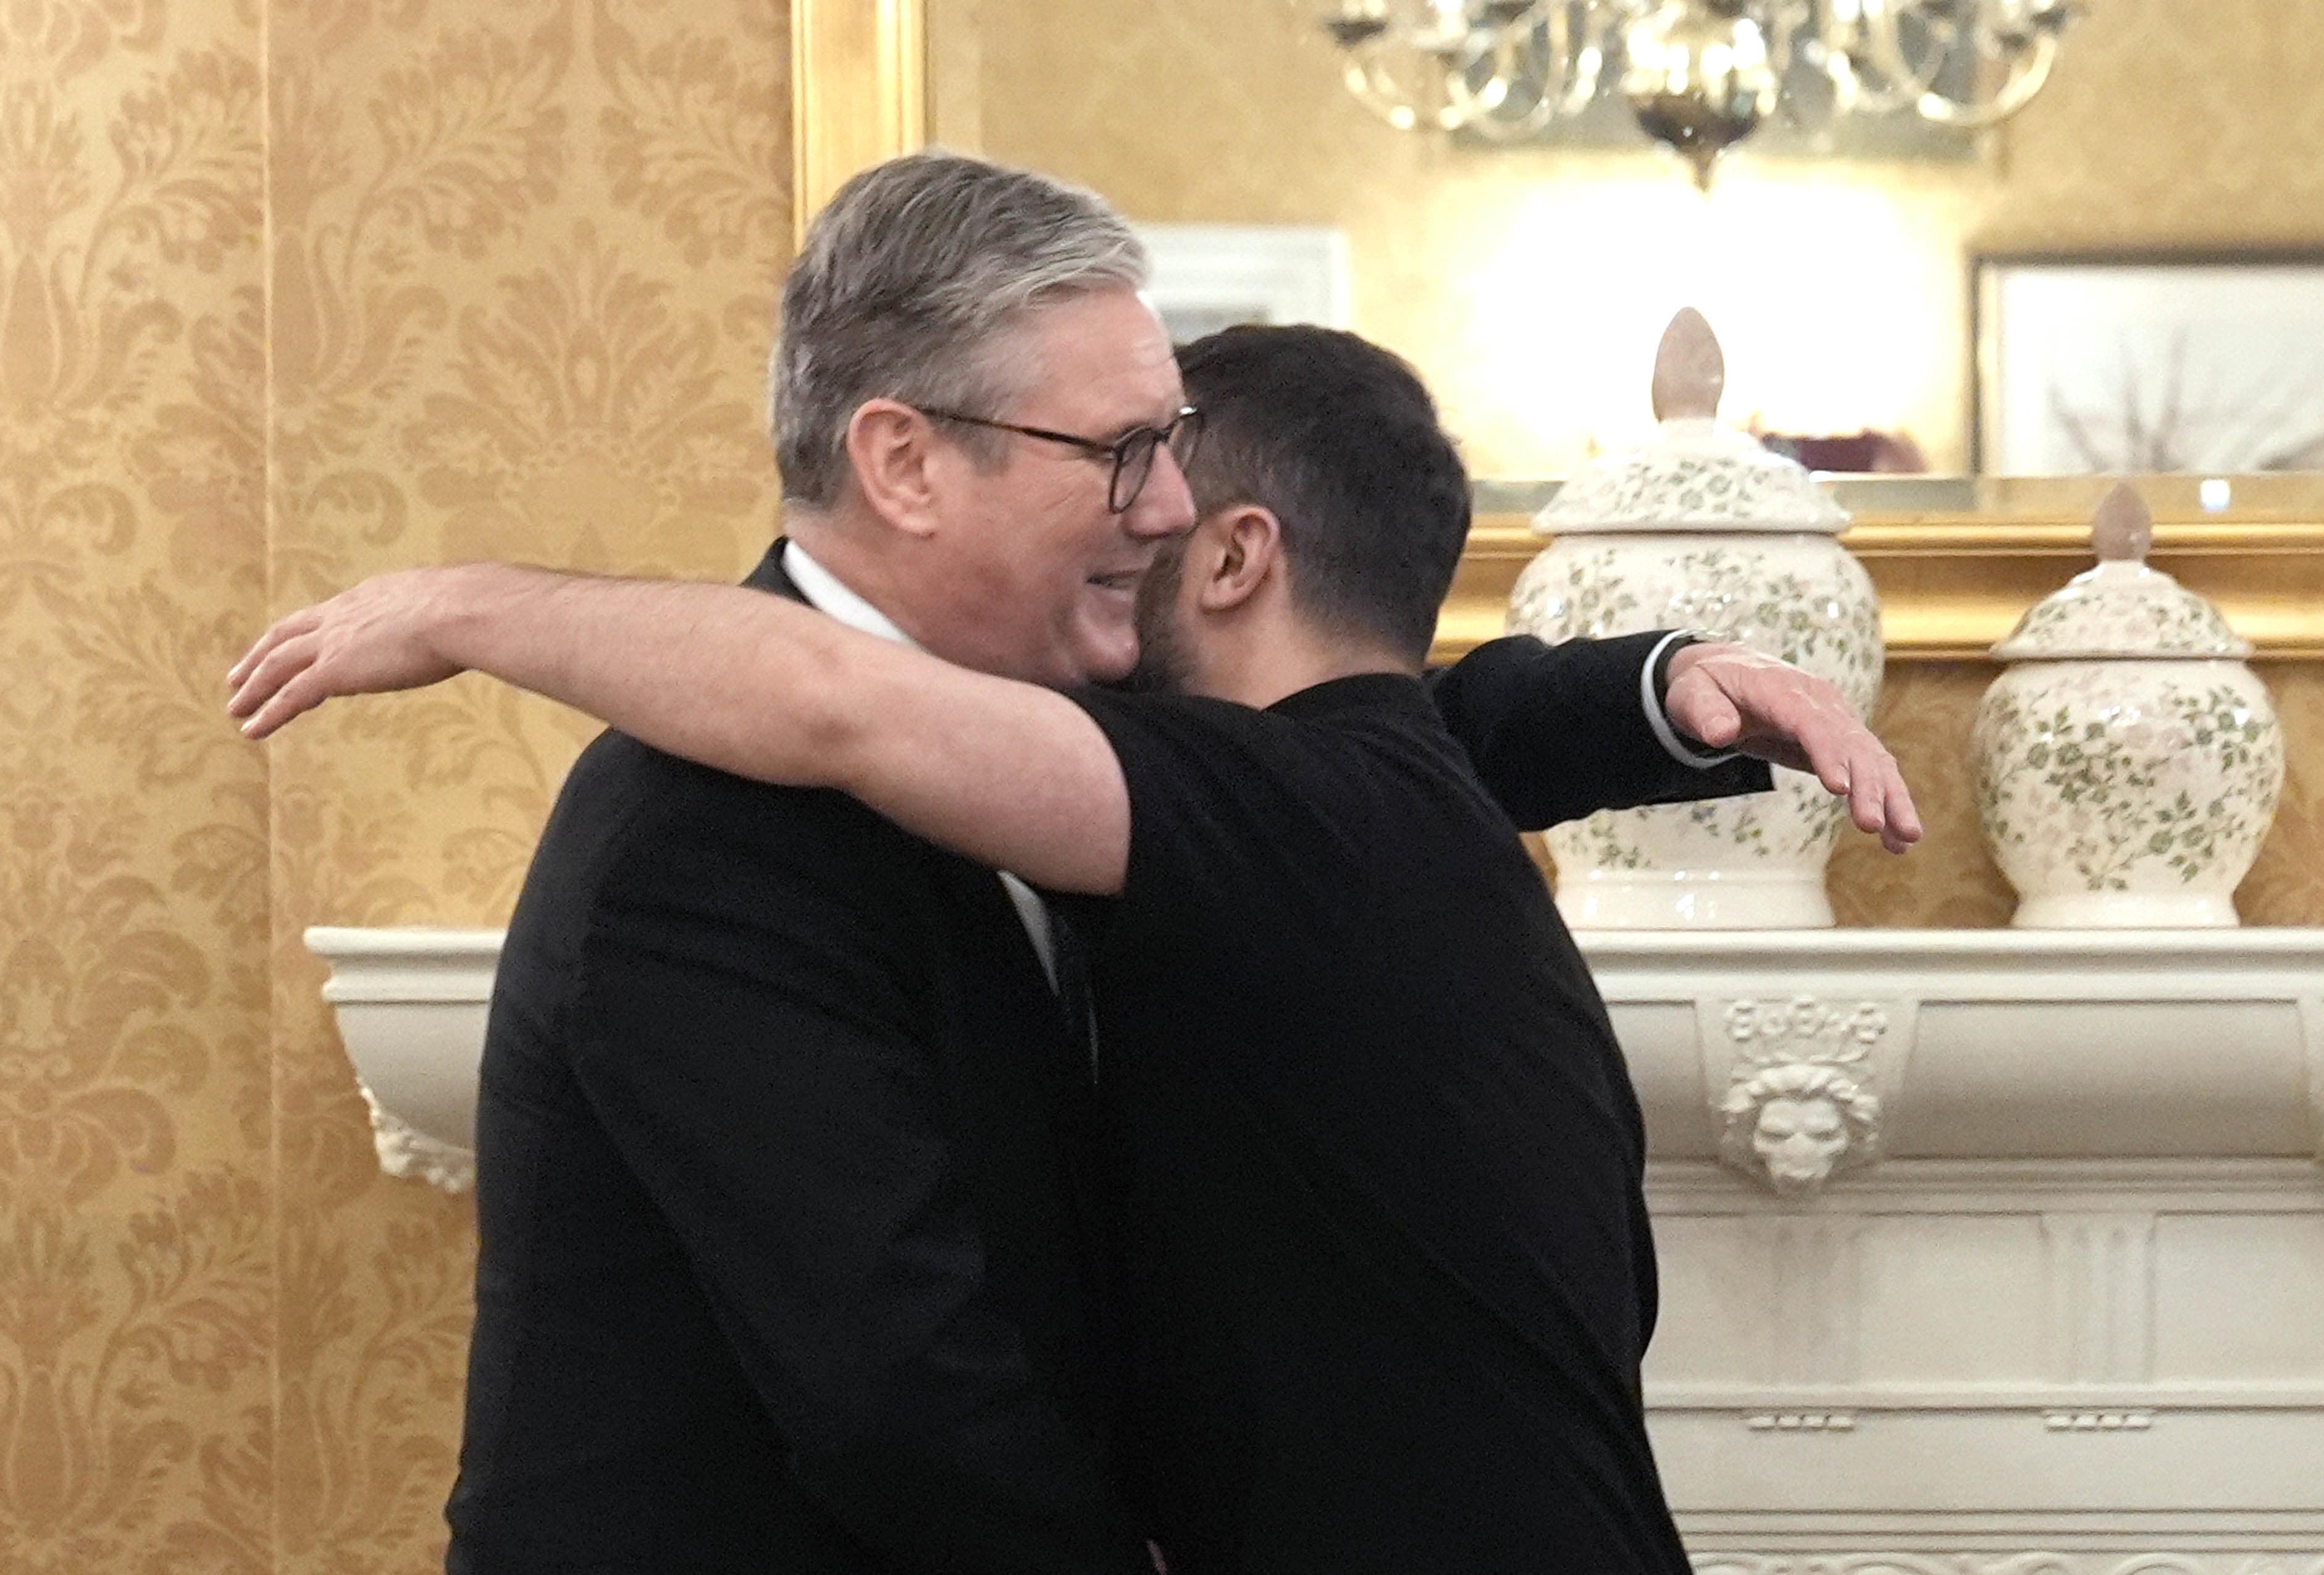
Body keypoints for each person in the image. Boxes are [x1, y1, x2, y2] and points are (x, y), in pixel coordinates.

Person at [233, 316, 1919, 1571]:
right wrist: (1643, 688)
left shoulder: (1292, 814)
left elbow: (829, 699)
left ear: (1242, 556)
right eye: (1120, 466)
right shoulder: (1374, 805)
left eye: (1159, 495)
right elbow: (1438, 723)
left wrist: (456, 608)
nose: (1131, 525)